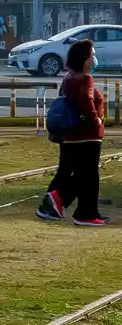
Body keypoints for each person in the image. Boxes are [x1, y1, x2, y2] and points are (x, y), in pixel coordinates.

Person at [41, 38, 106, 225]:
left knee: (85, 174)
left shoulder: (68, 77)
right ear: (85, 59)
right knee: (88, 175)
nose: (95, 58)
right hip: (87, 135)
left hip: (72, 135)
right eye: (93, 55)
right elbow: (86, 101)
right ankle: (64, 200)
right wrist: (96, 122)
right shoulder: (85, 78)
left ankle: (87, 212)